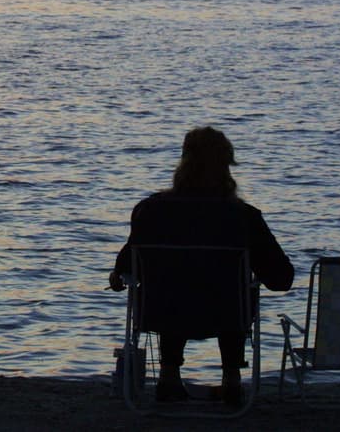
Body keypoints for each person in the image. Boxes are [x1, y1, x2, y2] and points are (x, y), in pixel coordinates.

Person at [109, 126, 293, 405]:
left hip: (162, 312)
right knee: (235, 292)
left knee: (174, 285)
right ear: (226, 167)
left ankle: (169, 377)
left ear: (183, 164)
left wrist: (117, 274)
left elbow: (124, 270)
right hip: (226, 314)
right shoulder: (243, 217)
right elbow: (281, 279)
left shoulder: (151, 211)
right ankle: (231, 379)